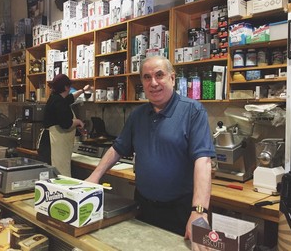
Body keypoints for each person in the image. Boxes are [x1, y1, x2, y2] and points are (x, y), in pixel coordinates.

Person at [86, 56, 215, 239]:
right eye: (147, 77)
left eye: (159, 75)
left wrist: (199, 211)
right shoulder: (138, 115)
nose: (153, 83)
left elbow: (203, 161)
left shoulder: (192, 111)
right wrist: (94, 176)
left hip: (180, 209)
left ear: (172, 78)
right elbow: (117, 149)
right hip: (142, 205)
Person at [42, 73, 90, 176]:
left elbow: (70, 98)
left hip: (51, 143)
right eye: (69, 86)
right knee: (59, 177)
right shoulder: (58, 102)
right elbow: (66, 124)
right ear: (65, 87)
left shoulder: (56, 98)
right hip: (54, 144)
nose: (70, 89)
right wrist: (78, 122)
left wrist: (82, 90)